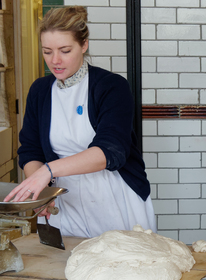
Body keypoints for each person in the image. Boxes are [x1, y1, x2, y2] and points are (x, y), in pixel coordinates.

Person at [3, 6, 156, 238]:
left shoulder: (111, 86)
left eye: (65, 50)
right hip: (66, 199)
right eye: (47, 51)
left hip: (115, 196)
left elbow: (110, 151)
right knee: (71, 267)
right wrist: (43, 190)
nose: (55, 61)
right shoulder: (40, 91)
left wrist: (48, 171)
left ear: (83, 45)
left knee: (128, 264)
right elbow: (30, 150)